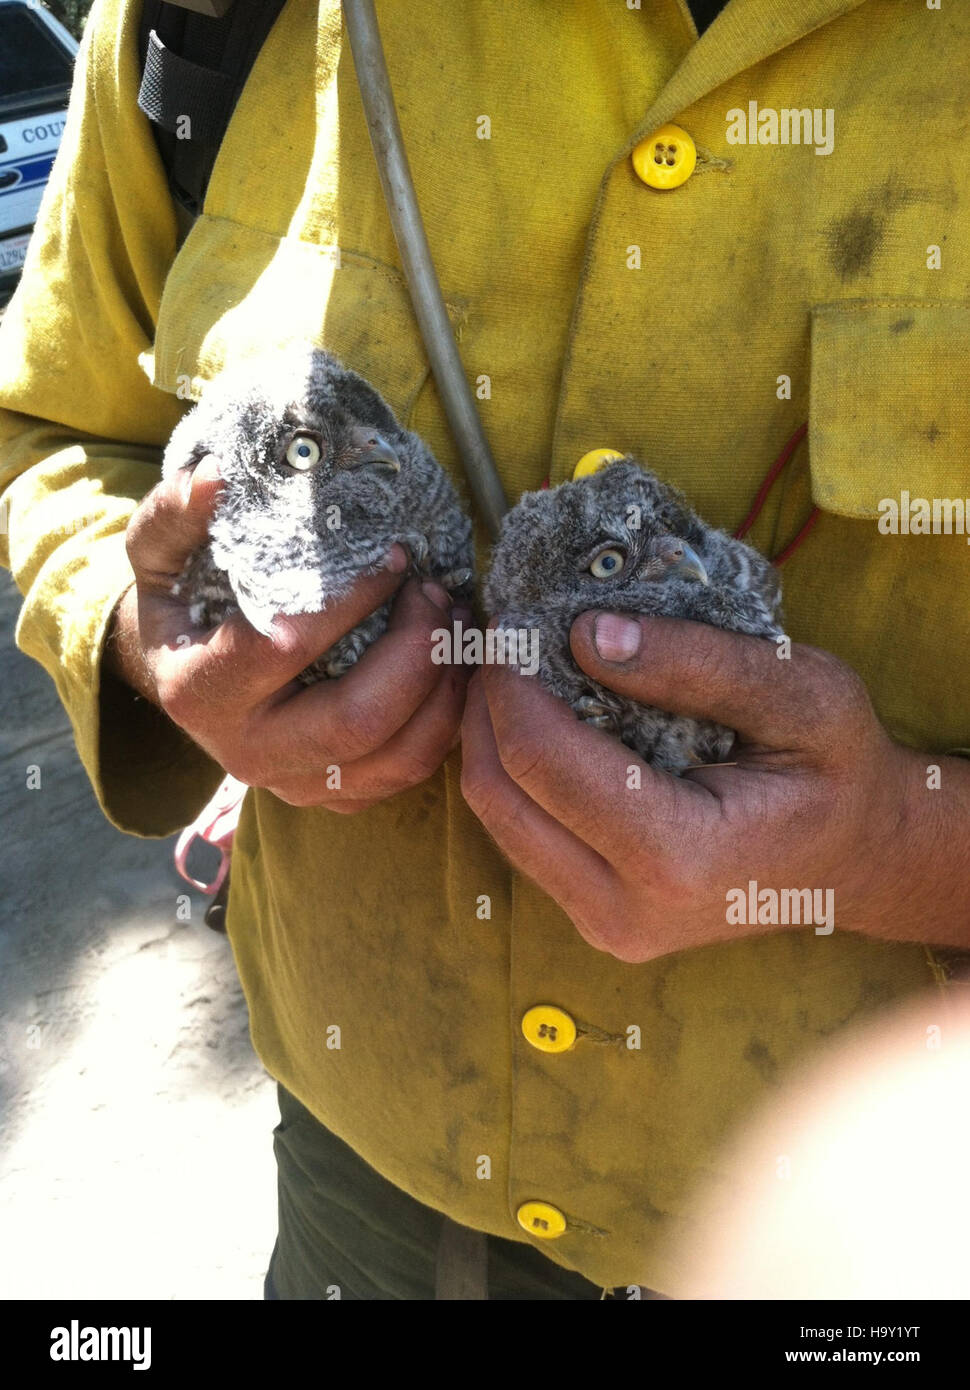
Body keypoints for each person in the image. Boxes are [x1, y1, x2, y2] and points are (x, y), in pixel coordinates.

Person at [1, 0, 968, 1300]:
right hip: (371, 1196)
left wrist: (896, 849)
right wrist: (145, 640)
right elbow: (55, 427)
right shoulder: (217, 20)